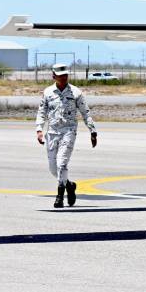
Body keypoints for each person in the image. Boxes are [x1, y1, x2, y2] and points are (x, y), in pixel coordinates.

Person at [35, 63, 97, 208]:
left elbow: (85, 112)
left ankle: (59, 196)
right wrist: (39, 130)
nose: (63, 78)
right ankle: (69, 185)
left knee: (62, 163)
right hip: (52, 132)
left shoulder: (76, 92)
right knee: (53, 168)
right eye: (60, 76)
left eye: (65, 75)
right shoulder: (48, 92)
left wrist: (92, 131)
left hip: (68, 131)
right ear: (54, 76)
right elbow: (41, 112)